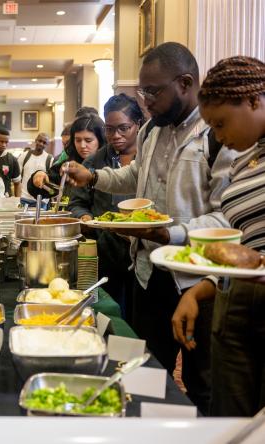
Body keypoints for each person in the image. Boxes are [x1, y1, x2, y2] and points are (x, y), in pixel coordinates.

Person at [64, 42, 238, 415]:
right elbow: (133, 176)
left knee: (199, 381)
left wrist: (170, 233)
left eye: (153, 92)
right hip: (148, 272)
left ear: (186, 83)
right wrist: (92, 176)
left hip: (196, 278)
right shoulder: (152, 131)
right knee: (146, 371)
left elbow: (228, 217)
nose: (145, 101)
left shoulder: (218, 132)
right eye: (141, 92)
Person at [172, 56, 265, 417]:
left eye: (221, 123)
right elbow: (249, 248)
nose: (219, 135)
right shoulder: (246, 158)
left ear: (254, 100)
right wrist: (201, 287)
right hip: (238, 305)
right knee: (231, 421)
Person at [68, 94, 143, 323]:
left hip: (143, 252)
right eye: (110, 130)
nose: (116, 136)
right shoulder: (94, 161)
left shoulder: (150, 158)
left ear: (138, 124)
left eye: (123, 128)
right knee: (111, 316)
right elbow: (77, 203)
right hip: (107, 251)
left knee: (141, 321)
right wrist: (86, 218)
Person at [28, 115, 105, 210]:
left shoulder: (109, 166)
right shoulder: (68, 165)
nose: (82, 145)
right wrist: (37, 177)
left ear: (100, 140)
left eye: (88, 140)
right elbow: (46, 186)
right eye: (78, 140)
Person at [17, 133, 53, 207]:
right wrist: (18, 197)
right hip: (24, 198)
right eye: (40, 141)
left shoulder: (49, 159)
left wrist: (47, 198)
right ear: (35, 140)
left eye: (44, 143)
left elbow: (51, 181)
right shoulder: (24, 156)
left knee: (40, 219)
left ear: (47, 145)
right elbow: (17, 178)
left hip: (41, 200)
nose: (41, 144)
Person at [0, 128, 21, 197]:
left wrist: (18, 202)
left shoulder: (12, 159)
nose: (4, 144)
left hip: (6, 198)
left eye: (6, 142)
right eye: (1, 141)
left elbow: (17, 183)